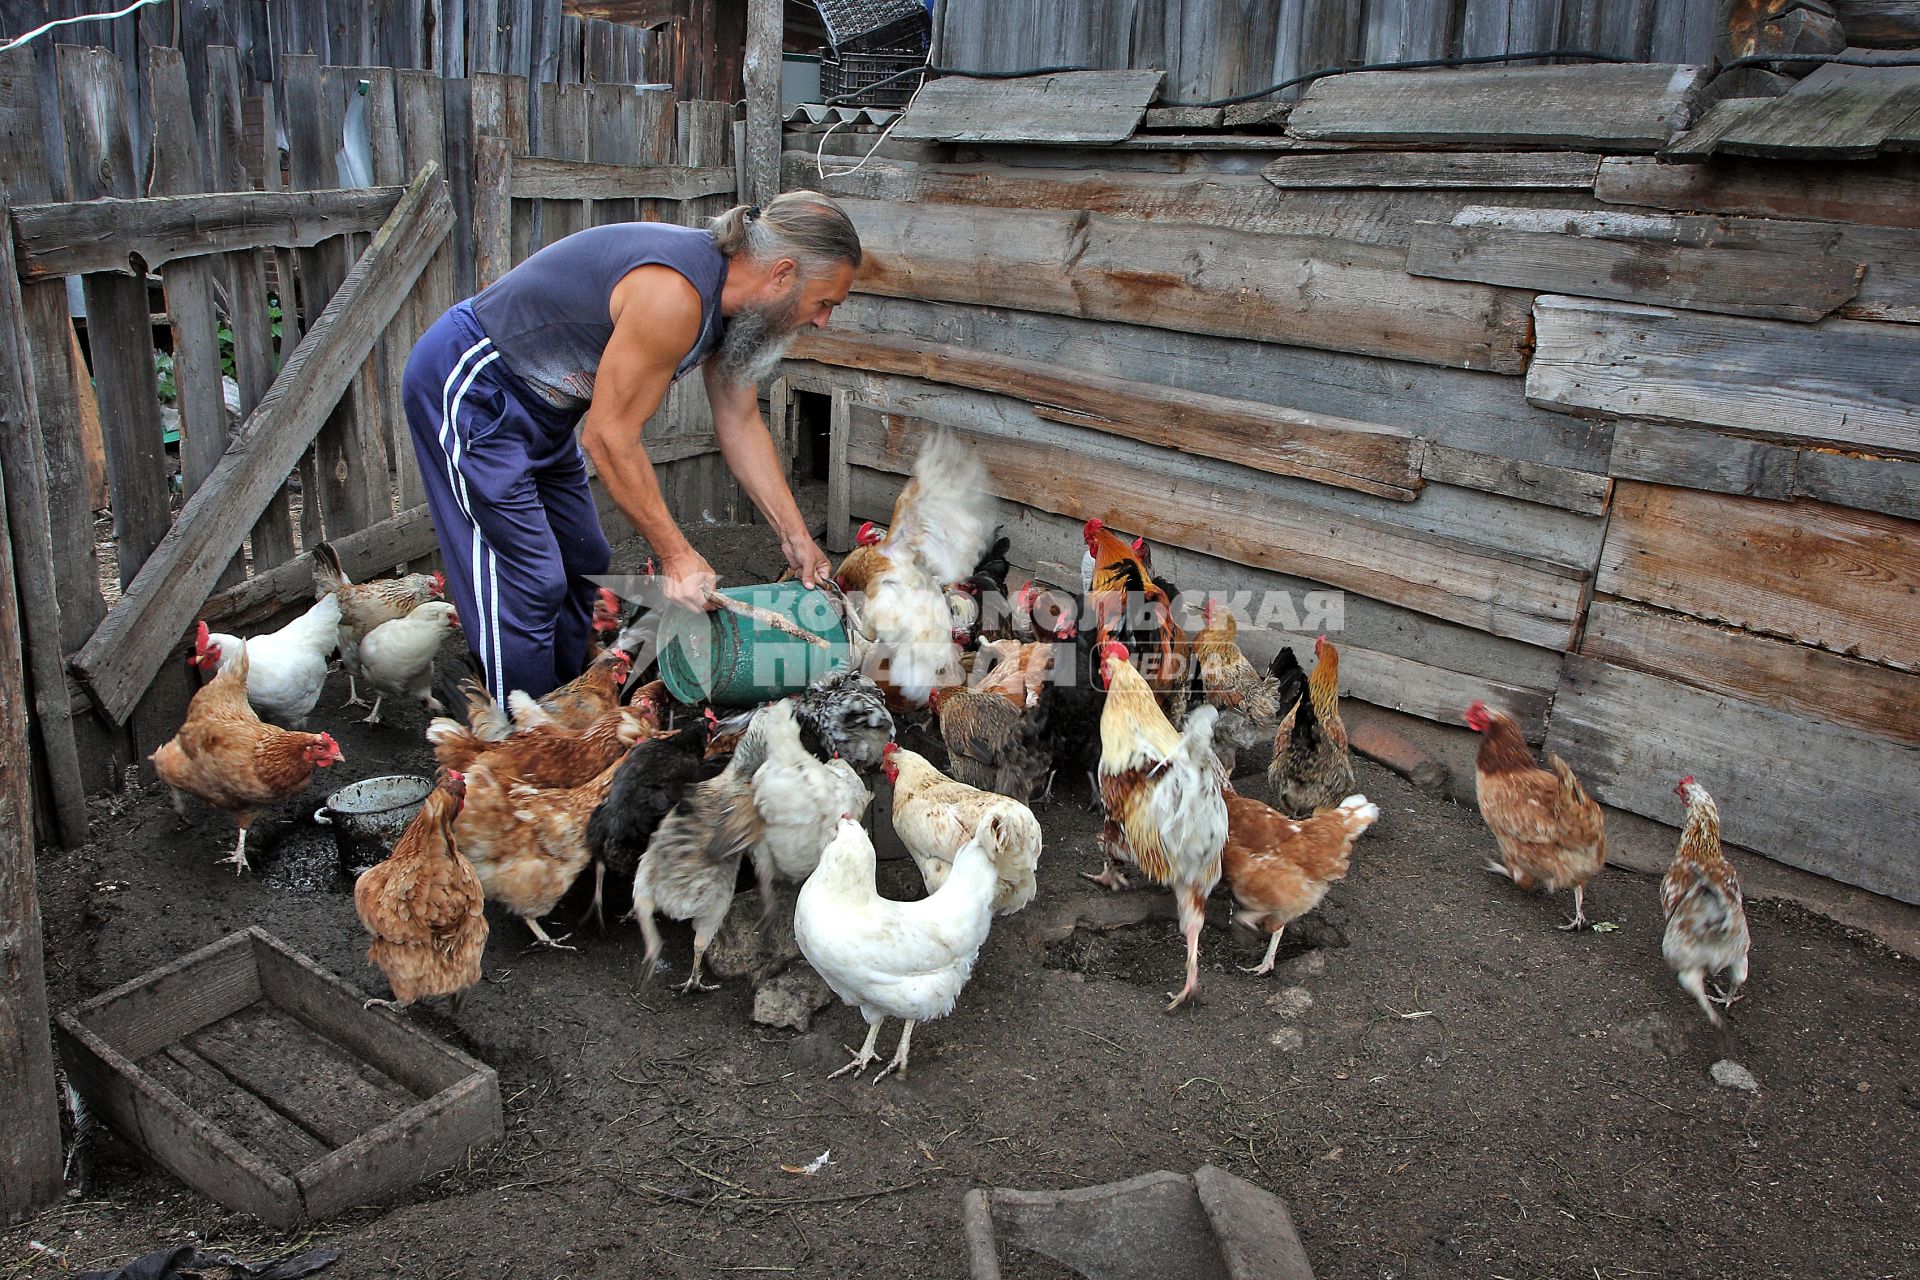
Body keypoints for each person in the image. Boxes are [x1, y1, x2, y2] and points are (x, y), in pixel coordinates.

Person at [402, 191, 860, 704]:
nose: (822, 321)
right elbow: (608, 437)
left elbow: (739, 418)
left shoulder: (737, 311)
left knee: (586, 558)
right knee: (529, 580)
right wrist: (677, 556)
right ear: (782, 273)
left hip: (545, 409)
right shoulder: (673, 294)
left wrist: (795, 536)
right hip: (473, 387)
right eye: (824, 302)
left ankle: (563, 706)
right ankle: (520, 746)